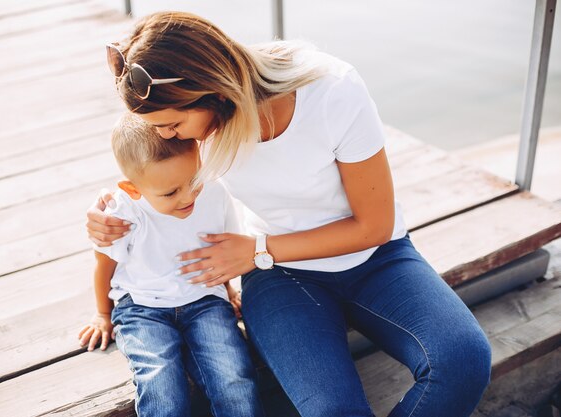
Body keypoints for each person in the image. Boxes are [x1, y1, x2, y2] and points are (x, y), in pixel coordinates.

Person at [87, 11, 492, 417]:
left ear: (213, 90)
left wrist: (258, 250)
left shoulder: (331, 90)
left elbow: (375, 226)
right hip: (281, 278)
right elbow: (150, 166)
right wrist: (111, 209)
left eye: (172, 125)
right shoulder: (195, 124)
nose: (166, 137)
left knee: (462, 360)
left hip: (374, 259)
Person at [78, 112, 264, 417]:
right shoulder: (123, 211)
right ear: (133, 189)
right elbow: (104, 263)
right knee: (161, 381)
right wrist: (102, 314)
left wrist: (228, 290)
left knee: (233, 377)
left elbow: (221, 244)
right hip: (142, 307)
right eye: (170, 192)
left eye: (194, 179)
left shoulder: (215, 193)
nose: (188, 195)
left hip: (205, 301)